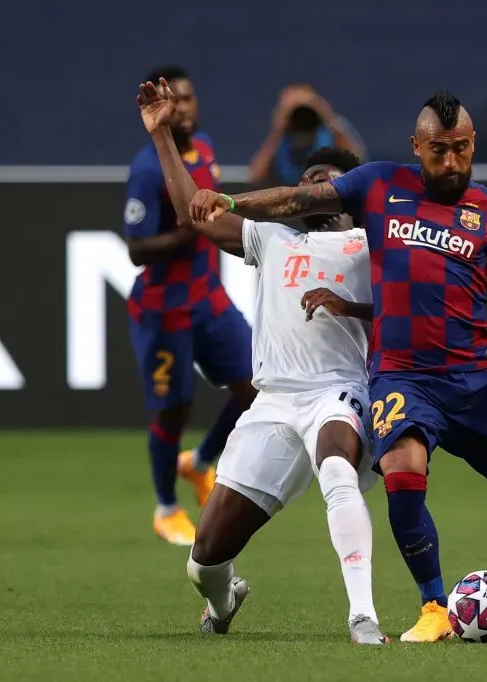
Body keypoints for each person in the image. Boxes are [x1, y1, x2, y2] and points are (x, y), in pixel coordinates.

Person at [189, 91, 487, 643]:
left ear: (474, 145)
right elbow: (295, 200)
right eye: (439, 150)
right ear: (416, 147)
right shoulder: (377, 185)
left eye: (462, 149)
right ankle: (433, 607)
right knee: (402, 475)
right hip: (403, 377)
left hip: (478, 378)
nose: (451, 162)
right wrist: (231, 203)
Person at [136, 78, 387, 645]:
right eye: (303, 183)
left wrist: (350, 305)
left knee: (338, 469)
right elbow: (191, 211)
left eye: (324, 183)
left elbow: (411, 311)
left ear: (348, 194)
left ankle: (363, 617)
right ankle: (224, 602)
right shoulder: (272, 239)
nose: (309, 191)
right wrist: (162, 138)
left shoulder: (373, 246)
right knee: (204, 559)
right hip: (273, 403)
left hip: (338, 390)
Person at [123, 66, 257, 546]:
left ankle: (198, 463)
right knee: (172, 412)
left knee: (255, 385)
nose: (181, 106)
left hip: (210, 299)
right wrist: (189, 230)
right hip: (165, 310)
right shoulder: (146, 168)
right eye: (171, 100)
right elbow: (137, 249)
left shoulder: (206, 148)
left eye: (187, 97)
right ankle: (165, 509)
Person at [248, 84, 366, 186]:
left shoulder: (331, 134)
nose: (302, 120)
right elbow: (255, 177)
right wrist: (277, 131)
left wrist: (328, 118)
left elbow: (358, 165)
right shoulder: (281, 140)